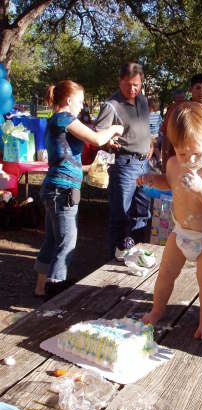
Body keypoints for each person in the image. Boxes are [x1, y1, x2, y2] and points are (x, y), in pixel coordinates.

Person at [137, 102, 202, 339]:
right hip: (180, 233)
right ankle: (157, 310)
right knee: (165, 274)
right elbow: (168, 183)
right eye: (182, 153)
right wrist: (152, 179)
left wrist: (201, 190)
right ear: (174, 149)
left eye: (196, 154)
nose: (189, 160)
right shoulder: (172, 165)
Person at [34, 80, 123, 298]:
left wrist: (94, 164)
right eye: (81, 101)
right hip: (63, 191)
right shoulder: (64, 117)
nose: (82, 106)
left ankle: (40, 287)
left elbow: (66, 158)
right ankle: (54, 293)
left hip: (55, 187)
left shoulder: (56, 121)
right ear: (69, 100)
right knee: (67, 243)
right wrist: (114, 128)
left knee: (53, 240)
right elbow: (97, 137)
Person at [95, 62, 152, 260]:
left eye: (136, 84)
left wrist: (151, 143)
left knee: (142, 214)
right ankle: (115, 258)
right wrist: (109, 140)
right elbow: (97, 136)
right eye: (128, 84)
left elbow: (145, 128)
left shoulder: (143, 100)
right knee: (120, 215)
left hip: (145, 165)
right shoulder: (111, 105)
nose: (132, 89)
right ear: (119, 81)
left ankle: (135, 254)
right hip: (124, 165)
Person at [160, 88, 186, 172]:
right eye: (178, 101)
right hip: (173, 152)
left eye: (182, 100)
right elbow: (165, 135)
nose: (180, 104)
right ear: (174, 100)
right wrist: (164, 160)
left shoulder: (189, 108)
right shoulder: (171, 110)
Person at [148, 96, 163, 170]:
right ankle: (160, 159)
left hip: (152, 136)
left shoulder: (148, 116)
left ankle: (149, 159)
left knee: (153, 148)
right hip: (159, 135)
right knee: (156, 148)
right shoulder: (158, 115)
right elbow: (161, 125)